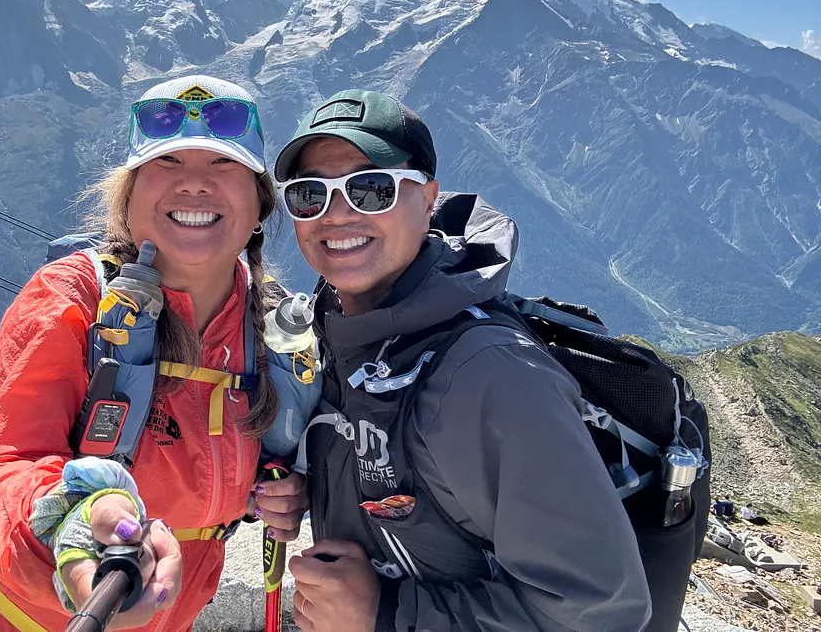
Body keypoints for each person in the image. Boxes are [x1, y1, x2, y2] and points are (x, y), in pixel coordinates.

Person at [0, 75, 307, 632]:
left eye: (222, 165)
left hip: (162, 615)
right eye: (166, 164)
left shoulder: (272, 328)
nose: (193, 185)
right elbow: (12, 462)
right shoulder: (71, 298)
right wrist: (73, 520)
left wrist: (281, 490)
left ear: (260, 203)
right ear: (128, 197)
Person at [272, 90, 652, 632]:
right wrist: (316, 488)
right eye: (309, 195)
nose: (336, 215)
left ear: (428, 199)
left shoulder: (491, 375)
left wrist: (384, 614)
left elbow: (601, 614)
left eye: (371, 189)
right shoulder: (340, 330)